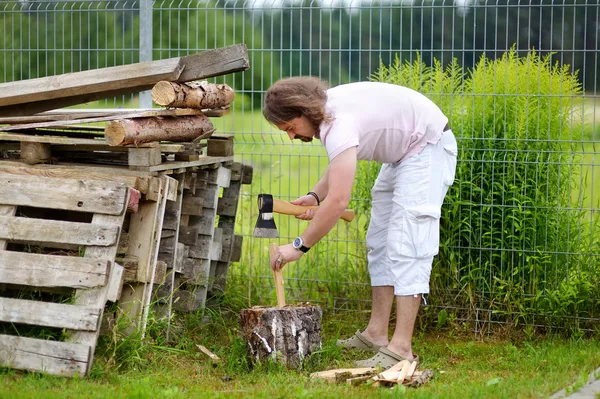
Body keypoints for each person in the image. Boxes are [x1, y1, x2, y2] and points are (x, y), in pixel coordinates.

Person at [263, 76, 457, 368]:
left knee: (408, 243)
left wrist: (298, 246)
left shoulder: (335, 122)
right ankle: (376, 334)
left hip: (427, 146)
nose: (292, 136)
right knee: (379, 241)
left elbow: (339, 201)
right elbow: (339, 165)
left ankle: (401, 348)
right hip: (402, 156)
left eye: (291, 128)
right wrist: (316, 196)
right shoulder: (328, 114)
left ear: (304, 110)